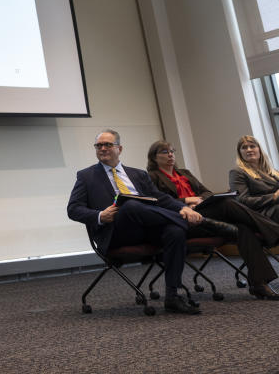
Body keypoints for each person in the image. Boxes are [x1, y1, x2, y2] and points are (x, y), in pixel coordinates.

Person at [67, 129, 203, 313]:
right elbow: (73, 209)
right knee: (130, 205)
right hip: (115, 232)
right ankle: (199, 224)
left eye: (108, 144)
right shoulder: (86, 176)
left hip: (145, 229)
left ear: (120, 148)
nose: (103, 148)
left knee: (175, 232)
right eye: (99, 145)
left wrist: (183, 208)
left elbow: (159, 198)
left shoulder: (138, 174)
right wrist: (100, 215)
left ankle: (173, 296)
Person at [147, 140, 279, 299]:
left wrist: (200, 199)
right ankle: (274, 230)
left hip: (203, 214)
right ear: (154, 158)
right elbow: (156, 201)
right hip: (182, 220)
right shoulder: (151, 177)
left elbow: (207, 192)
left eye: (172, 151)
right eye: (164, 152)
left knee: (243, 227)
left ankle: (259, 284)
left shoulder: (184, 172)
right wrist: (186, 201)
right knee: (227, 203)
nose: (170, 155)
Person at [229, 135, 279, 225]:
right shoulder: (237, 172)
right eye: (244, 148)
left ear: (259, 149)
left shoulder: (273, 172)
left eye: (252, 146)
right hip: (261, 213)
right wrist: (274, 196)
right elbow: (242, 200)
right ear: (240, 153)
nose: (249, 150)